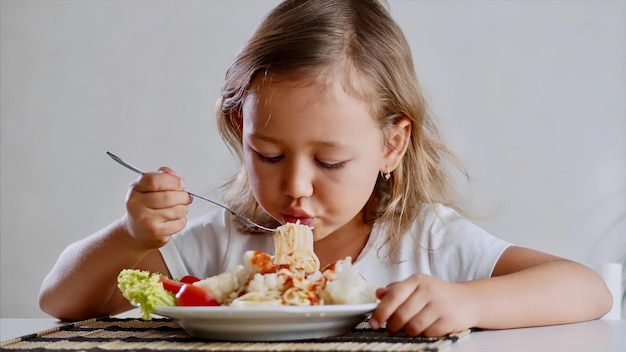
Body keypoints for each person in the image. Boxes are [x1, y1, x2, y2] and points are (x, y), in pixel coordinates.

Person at [39, 0, 611, 337]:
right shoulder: (219, 250)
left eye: (331, 161)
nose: (296, 186)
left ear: (392, 146)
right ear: (241, 131)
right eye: (269, 155)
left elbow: (587, 290)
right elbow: (60, 302)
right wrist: (129, 236)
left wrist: (469, 302)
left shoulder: (425, 241)